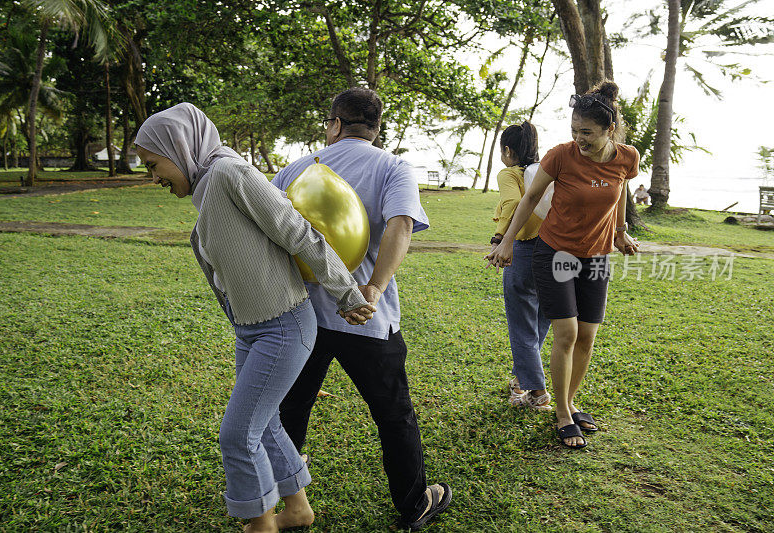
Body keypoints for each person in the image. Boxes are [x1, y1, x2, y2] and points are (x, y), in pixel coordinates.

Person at [134, 103, 376, 533]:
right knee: (262, 425)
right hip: (253, 329)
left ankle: (259, 524)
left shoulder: (231, 175)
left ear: (179, 146)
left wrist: (346, 293)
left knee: (237, 433)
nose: (154, 177)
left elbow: (298, 231)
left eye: (154, 164)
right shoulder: (208, 187)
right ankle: (298, 510)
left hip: (282, 327)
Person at [272, 88, 452, 531]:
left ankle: (285, 500)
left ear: (334, 124)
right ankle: (414, 505)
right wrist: (373, 287)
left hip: (301, 315)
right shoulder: (392, 166)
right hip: (366, 317)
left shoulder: (295, 169)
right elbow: (402, 225)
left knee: (290, 409)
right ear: (375, 128)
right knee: (393, 414)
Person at [486, 81, 640, 449]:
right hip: (555, 252)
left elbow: (618, 192)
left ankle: (569, 402)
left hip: (598, 256)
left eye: (587, 133)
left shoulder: (627, 158)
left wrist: (619, 231)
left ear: (610, 130)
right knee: (567, 333)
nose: (579, 139)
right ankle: (562, 414)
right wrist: (507, 240)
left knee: (588, 335)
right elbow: (531, 198)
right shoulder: (560, 155)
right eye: (574, 130)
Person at [491, 121, 552, 411]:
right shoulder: (546, 172)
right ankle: (520, 381)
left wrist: (500, 238)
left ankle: (537, 391)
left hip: (525, 249)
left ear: (507, 150)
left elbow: (514, 202)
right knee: (541, 318)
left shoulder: (509, 173)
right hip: (556, 251)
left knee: (521, 323)